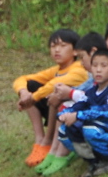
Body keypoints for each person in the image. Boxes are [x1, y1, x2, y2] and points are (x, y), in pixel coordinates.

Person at [55, 48, 108, 177]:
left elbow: (105, 112)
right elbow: (78, 105)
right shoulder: (92, 92)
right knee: (64, 132)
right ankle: (94, 161)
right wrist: (63, 115)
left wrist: (77, 115)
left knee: (90, 129)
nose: (98, 70)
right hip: (105, 132)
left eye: (103, 66)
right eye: (95, 65)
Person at [11, 29, 88, 167]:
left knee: (56, 93)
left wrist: (33, 98)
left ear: (76, 51)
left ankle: (49, 142)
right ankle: (40, 140)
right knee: (30, 86)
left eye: (63, 46)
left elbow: (54, 84)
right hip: (57, 112)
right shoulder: (56, 70)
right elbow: (22, 79)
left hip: (74, 113)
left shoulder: (79, 68)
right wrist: (24, 93)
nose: (57, 50)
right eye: (53, 46)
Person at [35, 31, 106, 176]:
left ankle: (62, 152)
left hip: (105, 118)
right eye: (53, 46)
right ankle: (54, 150)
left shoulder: (96, 71)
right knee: (63, 102)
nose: (57, 50)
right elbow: (86, 88)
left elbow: (93, 96)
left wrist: (68, 93)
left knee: (67, 105)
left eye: (82, 57)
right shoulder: (93, 72)